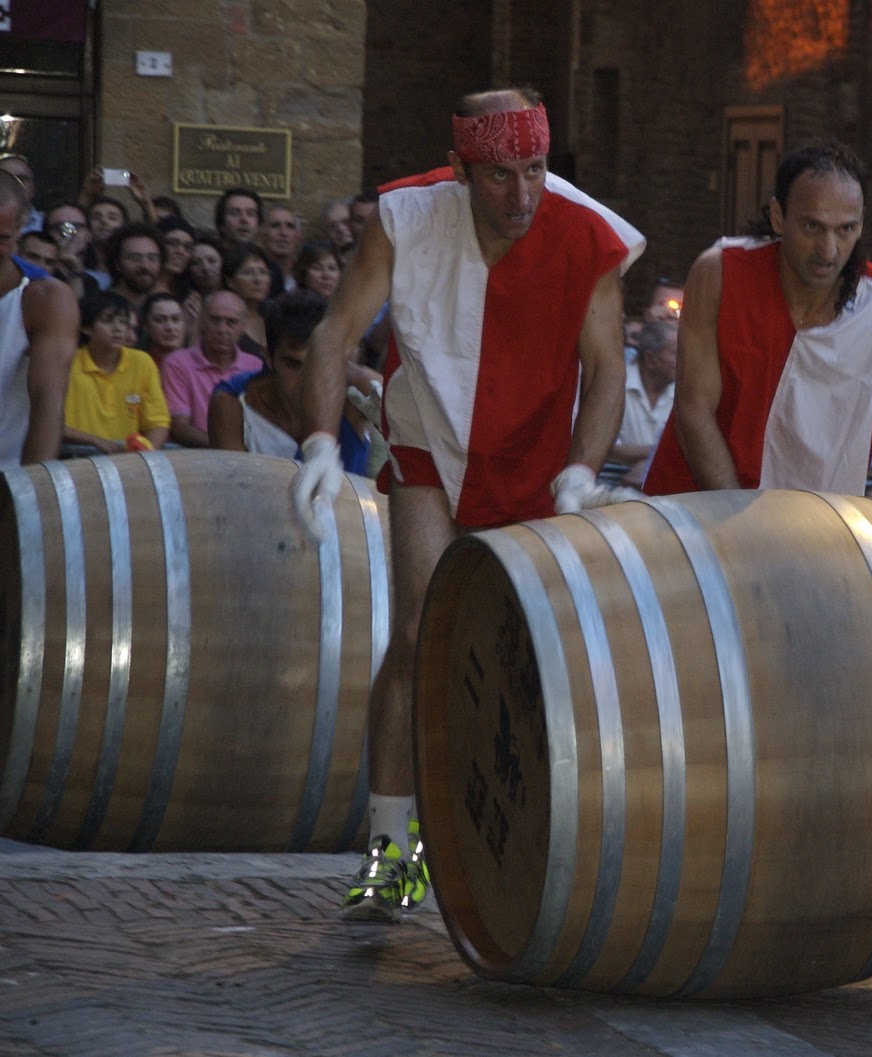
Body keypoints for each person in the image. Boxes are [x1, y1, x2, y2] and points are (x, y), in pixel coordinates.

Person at [292, 88, 645, 923]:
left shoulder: (589, 235)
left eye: (535, 170)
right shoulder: (404, 217)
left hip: (534, 465)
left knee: (525, 659)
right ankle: (391, 856)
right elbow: (336, 332)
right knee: (418, 636)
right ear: (459, 169)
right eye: (499, 176)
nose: (522, 195)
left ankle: (514, 851)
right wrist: (318, 441)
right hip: (427, 442)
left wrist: (580, 470)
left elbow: (607, 369)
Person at [643, 140, 872, 504]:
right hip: (692, 508)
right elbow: (694, 408)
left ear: (861, 224)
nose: (828, 251)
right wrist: (735, 514)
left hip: (817, 523)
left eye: (845, 229)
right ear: (778, 217)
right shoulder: (720, 273)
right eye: (812, 226)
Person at [210, 289, 373, 473]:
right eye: (294, 365)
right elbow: (235, 484)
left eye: (317, 365)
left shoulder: (356, 390)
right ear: (269, 358)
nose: (307, 379)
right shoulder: (232, 404)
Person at [0, 173, 77, 467]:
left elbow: (48, 400)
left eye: (1, 238)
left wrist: (31, 486)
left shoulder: (46, 298)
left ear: (21, 228)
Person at [61, 289, 170, 454]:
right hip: (73, 458)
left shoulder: (142, 362)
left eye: (123, 322)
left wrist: (146, 452)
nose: (118, 328)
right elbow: (51, 423)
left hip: (127, 461)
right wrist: (95, 441)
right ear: (87, 328)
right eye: (108, 321)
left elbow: (158, 422)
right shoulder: (67, 363)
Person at [159, 290, 263, 447]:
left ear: (243, 327)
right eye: (215, 320)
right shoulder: (177, 363)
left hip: (247, 454)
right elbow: (180, 427)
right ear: (201, 321)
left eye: (231, 322)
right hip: (195, 454)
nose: (222, 329)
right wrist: (229, 447)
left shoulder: (256, 365)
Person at [607, 319, 676, 486]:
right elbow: (608, 448)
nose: (685, 361)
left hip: (659, 485)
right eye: (676, 354)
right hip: (608, 484)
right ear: (651, 359)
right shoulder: (614, 387)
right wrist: (661, 451)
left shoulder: (682, 393)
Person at [222, 242, 278, 355]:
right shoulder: (221, 318)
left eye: (263, 272)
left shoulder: (276, 314)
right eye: (248, 273)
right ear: (230, 281)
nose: (258, 280)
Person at [104, 222, 165, 322]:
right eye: (135, 258)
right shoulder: (101, 308)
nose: (145, 265)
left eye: (152, 258)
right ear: (117, 264)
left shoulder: (164, 307)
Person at [140, 291, 188, 367]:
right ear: (145, 326)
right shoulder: (140, 364)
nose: (170, 327)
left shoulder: (198, 362)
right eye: (160, 320)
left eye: (176, 319)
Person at [260, 204, 303, 286]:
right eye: (275, 226)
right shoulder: (251, 275)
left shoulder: (307, 276)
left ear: (298, 236)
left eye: (290, 226)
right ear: (262, 235)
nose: (283, 233)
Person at [0, 153, 44, 233]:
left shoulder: (49, 225)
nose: (15, 183)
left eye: (22, 179)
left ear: (33, 187)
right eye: (6, 178)